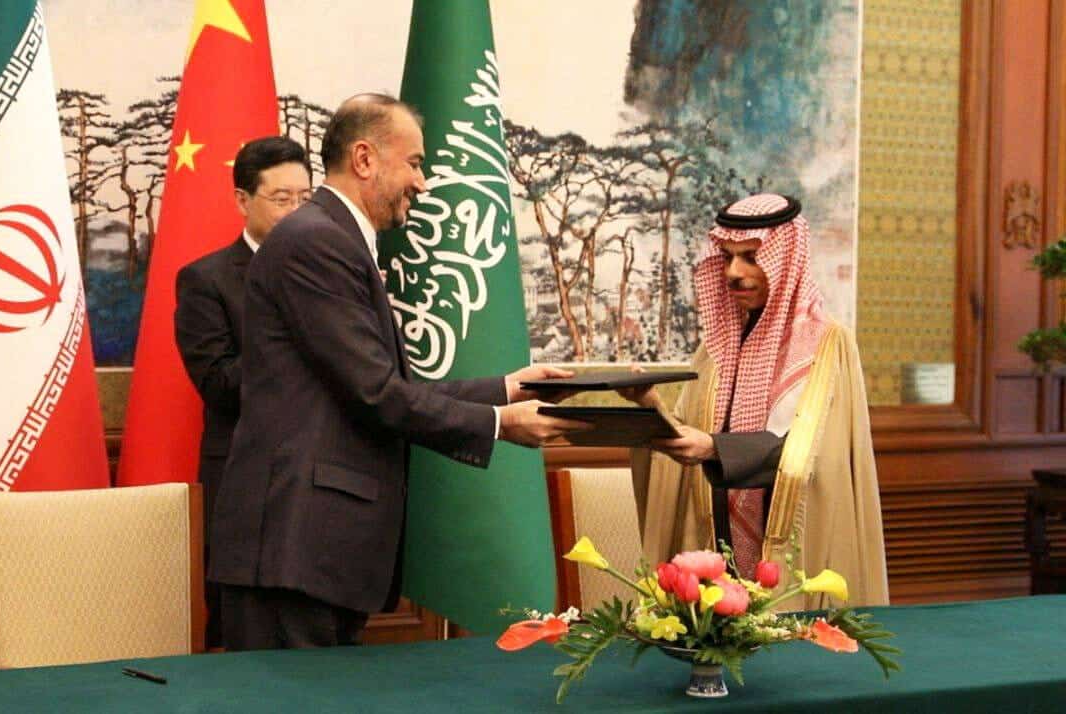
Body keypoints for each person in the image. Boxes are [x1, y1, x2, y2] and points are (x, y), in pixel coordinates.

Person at [209, 93, 586, 650]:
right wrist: (501, 423)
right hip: (295, 549)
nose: (422, 182)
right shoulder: (316, 241)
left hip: (316, 551)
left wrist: (507, 388)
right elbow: (376, 393)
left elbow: (381, 384)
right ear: (365, 159)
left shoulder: (331, 238)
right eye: (414, 163)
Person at [622, 193, 888, 607]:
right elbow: (686, 439)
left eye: (750, 257)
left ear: (785, 260)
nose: (734, 272)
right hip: (715, 553)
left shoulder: (825, 345)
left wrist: (715, 449)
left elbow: (814, 457)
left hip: (790, 557)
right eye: (727, 257)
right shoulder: (717, 346)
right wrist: (650, 405)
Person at [173, 136, 311, 648]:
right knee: (247, 644)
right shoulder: (206, 280)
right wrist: (296, 328)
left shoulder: (333, 275)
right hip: (246, 489)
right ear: (242, 200)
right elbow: (219, 385)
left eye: (305, 199)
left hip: (321, 485)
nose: (297, 212)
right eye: (282, 199)